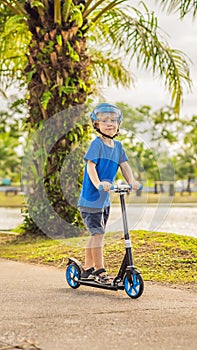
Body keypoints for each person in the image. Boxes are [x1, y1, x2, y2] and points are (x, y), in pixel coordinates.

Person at [78, 103, 140, 284]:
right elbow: (91, 166)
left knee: (96, 233)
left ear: (119, 124)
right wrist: (98, 183)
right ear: (96, 125)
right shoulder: (97, 144)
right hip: (90, 199)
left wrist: (131, 181)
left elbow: (125, 166)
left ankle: (88, 267)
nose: (110, 124)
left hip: (104, 201)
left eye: (113, 120)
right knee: (98, 234)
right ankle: (99, 271)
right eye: (104, 121)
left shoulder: (118, 146)